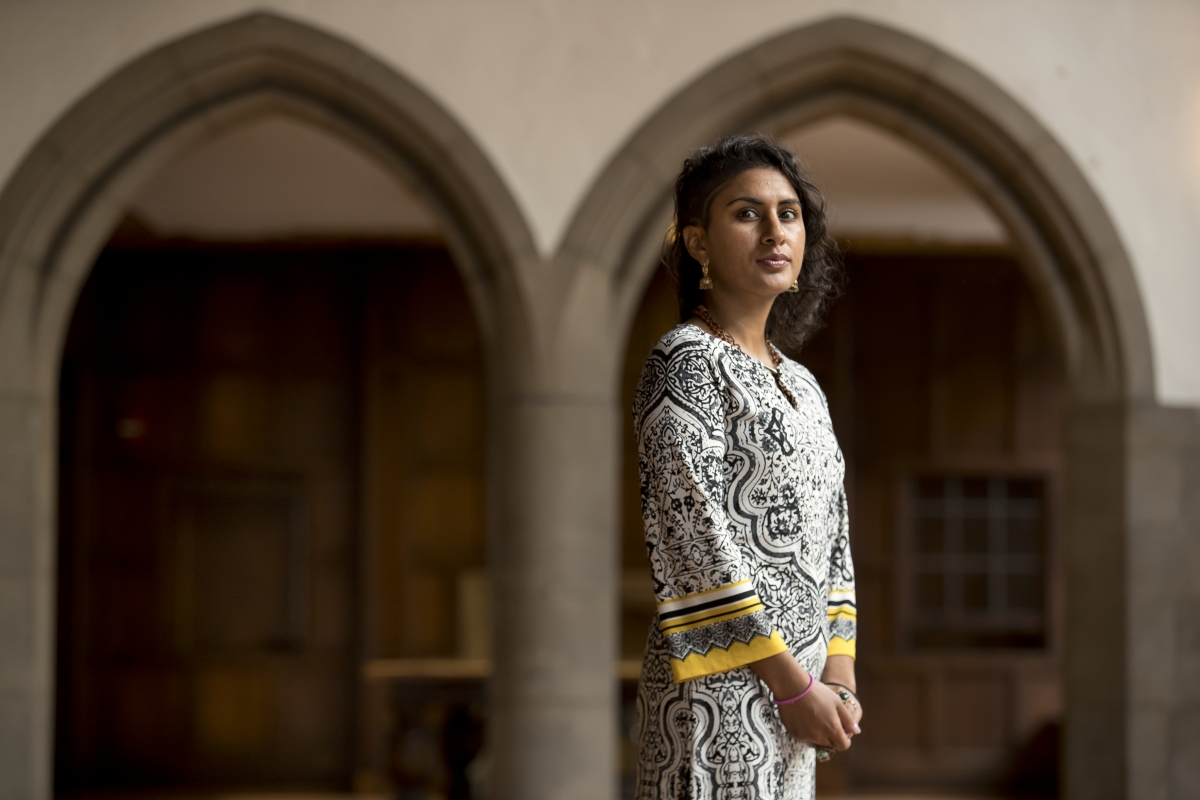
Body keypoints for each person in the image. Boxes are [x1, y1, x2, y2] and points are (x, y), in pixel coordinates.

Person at [633, 134, 861, 799]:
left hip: (803, 699)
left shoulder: (803, 384)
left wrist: (837, 679)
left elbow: (835, 541)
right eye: (746, 213)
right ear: (698, 243)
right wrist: (794, 690)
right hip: (718, 693)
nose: (775, 231)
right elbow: (695, 544)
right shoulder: (686, 363)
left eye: (789, 213)